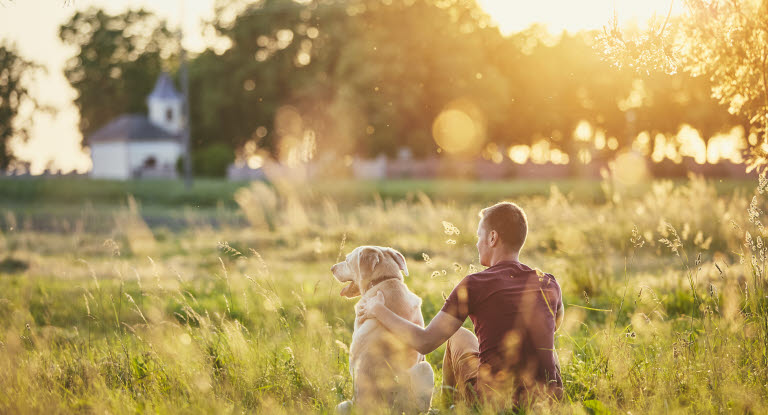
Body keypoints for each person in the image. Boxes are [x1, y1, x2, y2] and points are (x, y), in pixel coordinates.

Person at [357, 201, 564, 409]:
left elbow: (424, 342)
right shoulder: (549, 283)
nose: (477, 243)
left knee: (456, 336)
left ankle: (449, 408)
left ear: (492, 238)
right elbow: (553, 327)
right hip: (547, 402)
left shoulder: (474, 284)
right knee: (549, 349)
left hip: (494, 402)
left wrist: (378, 310)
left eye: (479, 236)